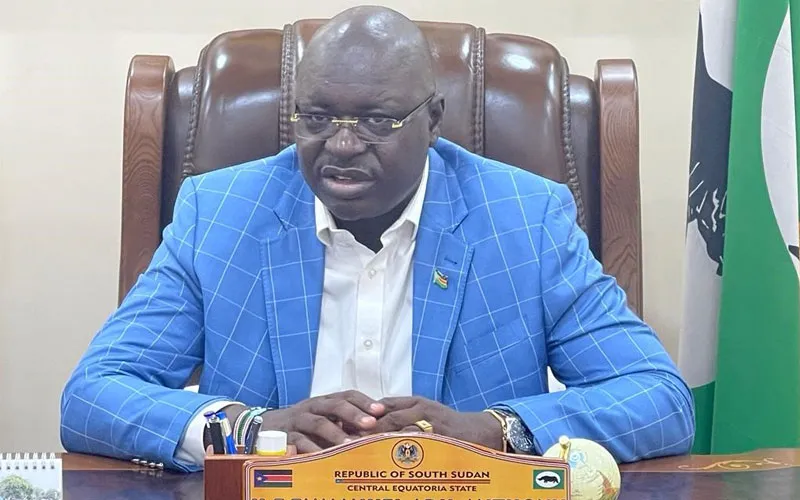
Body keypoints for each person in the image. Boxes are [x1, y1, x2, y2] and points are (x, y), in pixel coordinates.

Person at [60, 5, 695, 473]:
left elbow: (659, 400)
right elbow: (93, 394)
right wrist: (251, 430)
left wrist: (494, 431)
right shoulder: (219, 213)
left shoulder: (526, 219)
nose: (341, 144)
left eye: (377, 120)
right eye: (316, 117)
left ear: (433, 121)